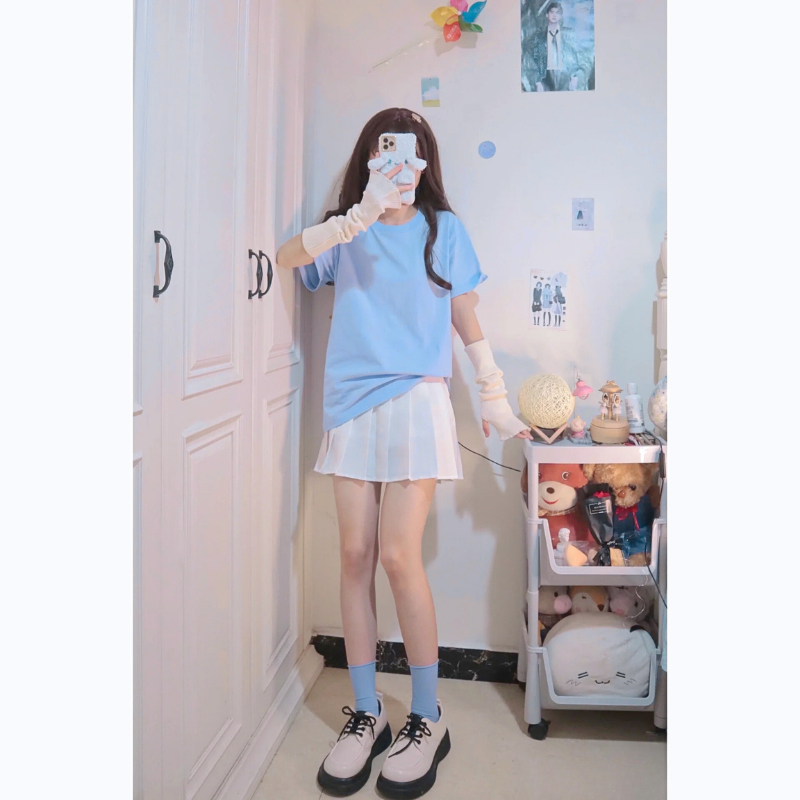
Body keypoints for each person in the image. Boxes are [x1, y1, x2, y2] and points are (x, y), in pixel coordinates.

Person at [276, 108, 532, 799]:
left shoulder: (443, 229)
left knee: (397, 556)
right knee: (353, 556)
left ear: (425, 162)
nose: (400, 166)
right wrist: (357, 215)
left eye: (410, 155)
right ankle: (366, 712)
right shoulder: (347, 228)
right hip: (350, 403)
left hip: (418, 401)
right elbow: (289, 259)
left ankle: (426, 715)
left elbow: (465, 315)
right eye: (386, 153)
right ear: (370, 158)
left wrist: (494, 396)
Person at [521, 1, 587, 93]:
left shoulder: (569, 35)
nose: (554, 15)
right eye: (552, 12)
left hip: (565, 78)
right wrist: (537, 81)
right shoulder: (539, 37)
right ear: (547, 15)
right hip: (545, 78)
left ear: (560, 16)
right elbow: (530, 59)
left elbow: (578, 57)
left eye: (557, 13)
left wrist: (575, 77)